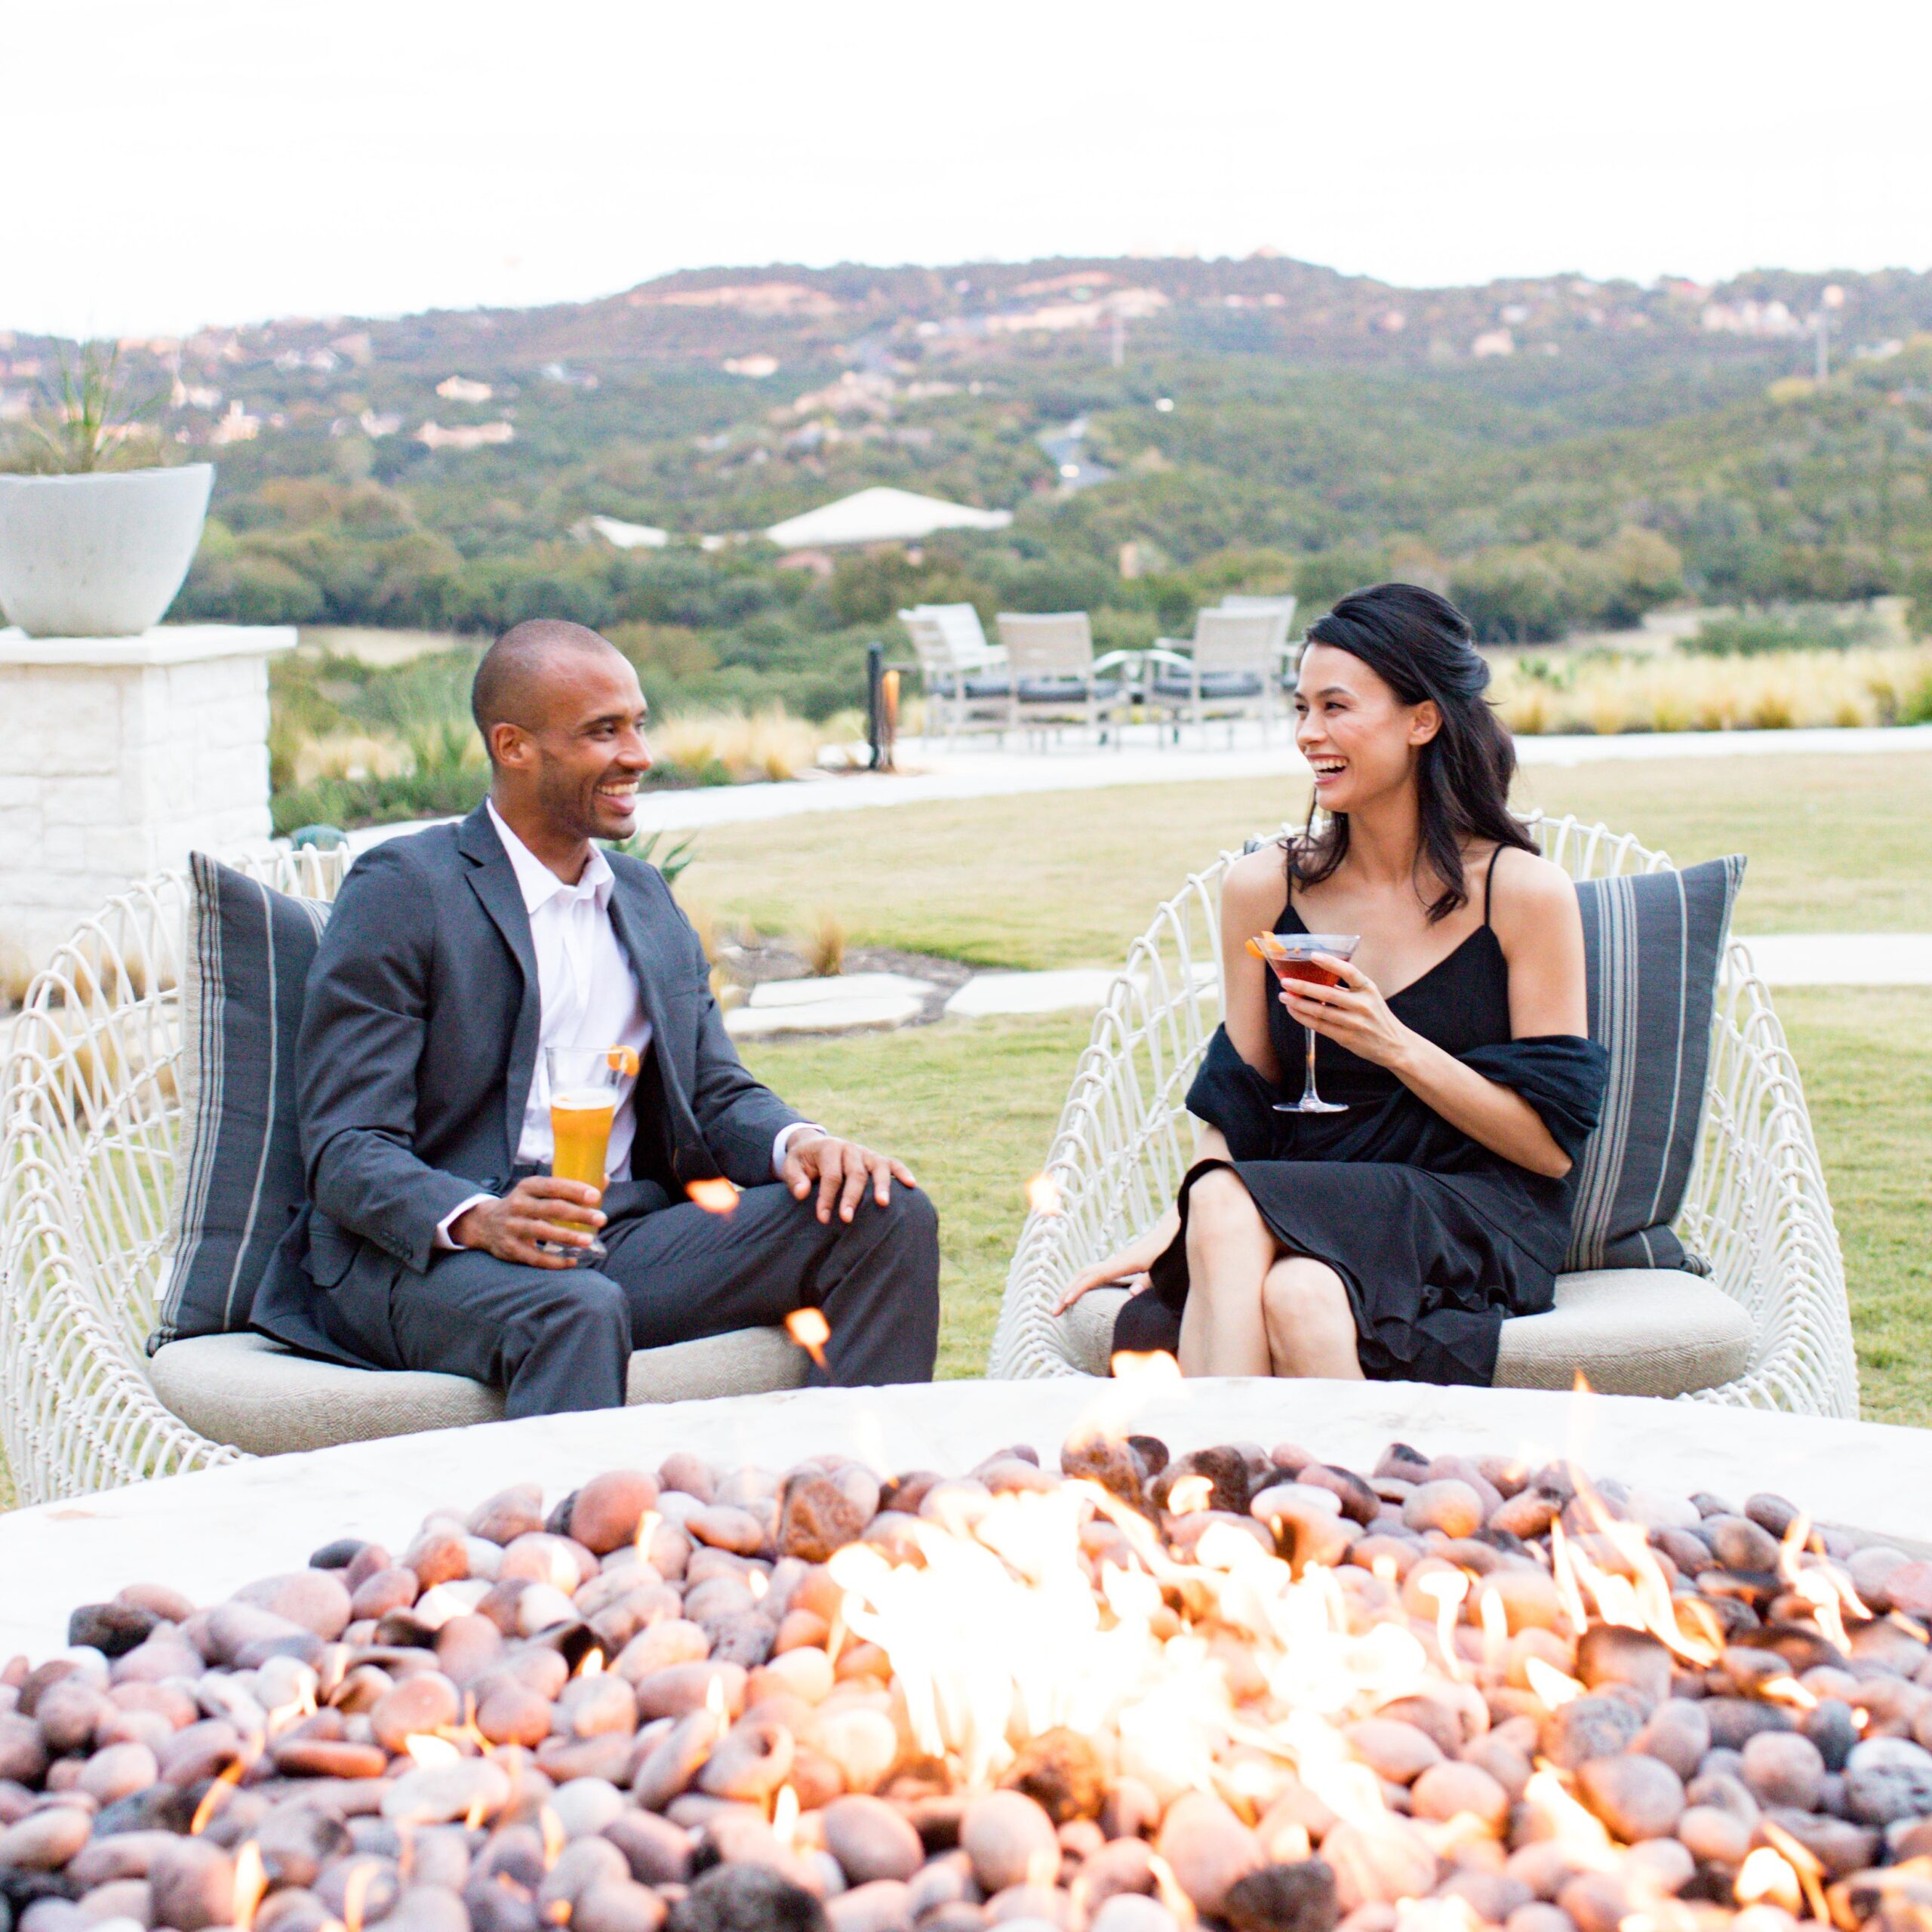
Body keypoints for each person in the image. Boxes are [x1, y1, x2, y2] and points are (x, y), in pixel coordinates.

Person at [252, 619, 940, 1414]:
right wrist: (480, 1218)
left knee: (883, 1214)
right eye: (603, 732)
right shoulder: (407, 889)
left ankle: (835, 1505)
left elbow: (714, 1094)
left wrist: (805, 1142)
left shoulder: (643, 898)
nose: (639, 756)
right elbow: (346, 1146)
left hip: (614, 1235)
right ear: (513, 746)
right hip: (427, 1259)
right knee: (573, 1308)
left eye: (638, 725)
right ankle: (565, 1539)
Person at [1056, 583, 1608, 1385]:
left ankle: (1208, 1492)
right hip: (1309, 1202)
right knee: (1297, 1294)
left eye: (1336, 707)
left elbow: (1548, 1149)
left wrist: (1391, 1043)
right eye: (1300, 708)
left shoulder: (1520, 893)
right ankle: (1338, 1504)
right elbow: (1235, 1101)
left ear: (1422, 721)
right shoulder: (1263, 887)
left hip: (1467, 1207)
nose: (1309, 734)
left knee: (1228, 1211)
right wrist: (1203, 1224)